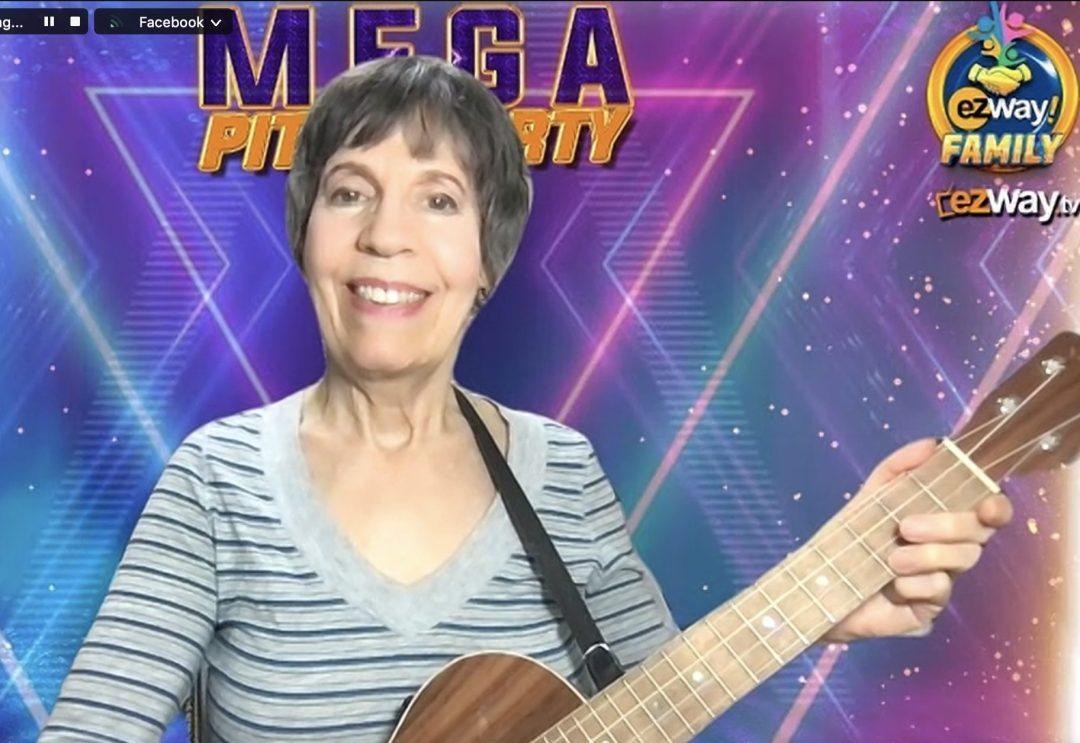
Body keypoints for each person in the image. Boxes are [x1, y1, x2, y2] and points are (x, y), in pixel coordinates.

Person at [40, 54, 1013, 742]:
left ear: (486, 259)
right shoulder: (217, 481)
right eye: (349, 191)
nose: (386, 235)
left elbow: (653, 703)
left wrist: (826, 604)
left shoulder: (562, 473)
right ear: (307, 236)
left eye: (438, 198)